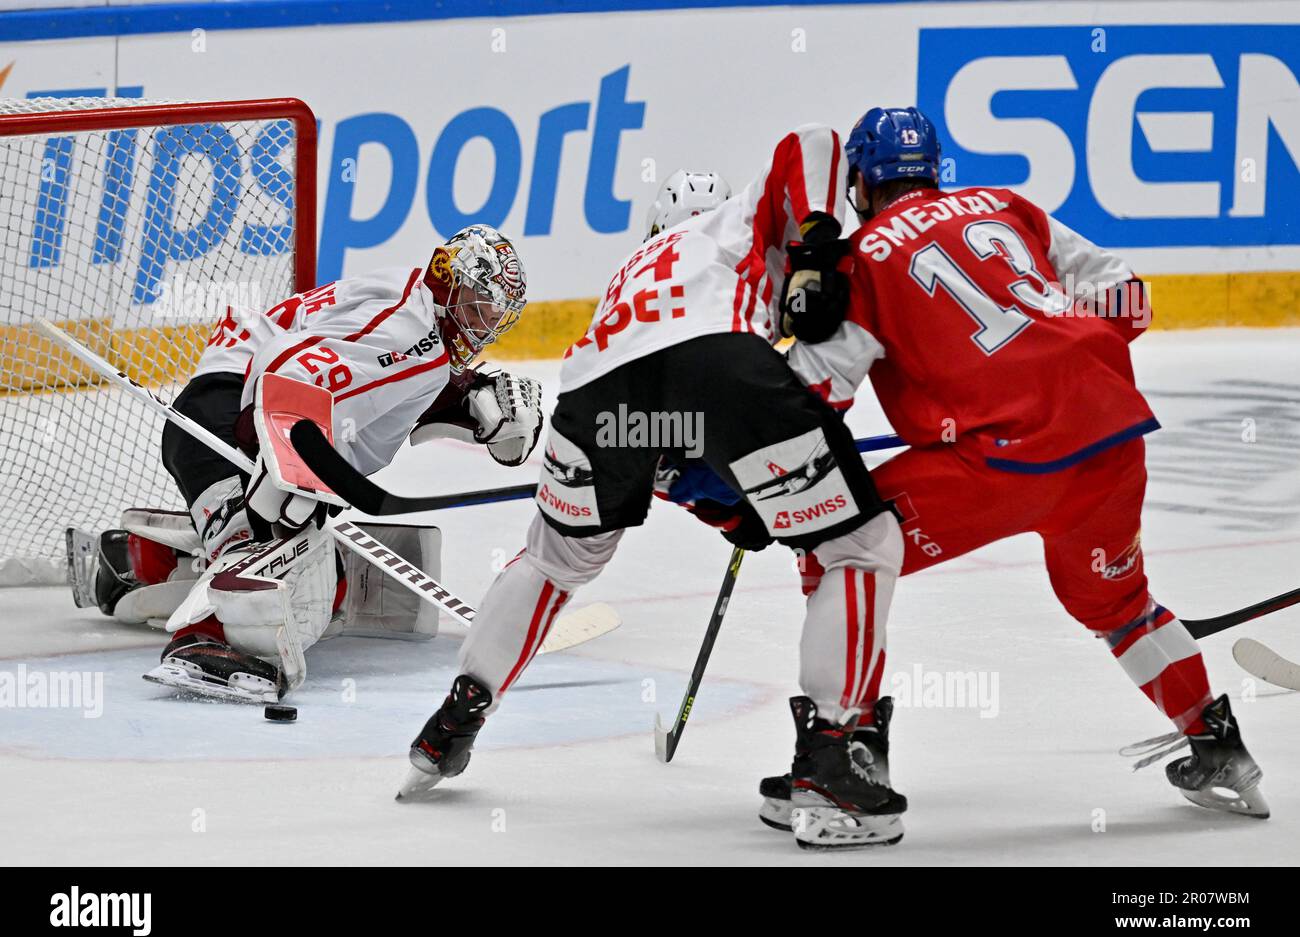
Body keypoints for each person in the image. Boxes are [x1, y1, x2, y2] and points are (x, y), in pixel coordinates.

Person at [398, 124, 914, 850]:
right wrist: (820, 246)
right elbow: (813, 141)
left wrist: (723, 498)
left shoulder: (636, 269)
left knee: (554, 561)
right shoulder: (738, 219)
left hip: (594, 393)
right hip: (720, 368)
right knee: (858, 544)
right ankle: (831, 753)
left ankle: (454, 719)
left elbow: (666, 447)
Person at [753, 107, 1267, 830]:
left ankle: (848, 757)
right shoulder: (1008, 205)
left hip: (998, 464)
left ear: (862, 186)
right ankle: (1218, 746)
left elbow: (815, 395)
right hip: (1109, 437)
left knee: (834, 544)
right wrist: (1049, 349)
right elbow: (1132, 301)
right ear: (934, 171)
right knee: (1119, 605)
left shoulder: (861, 257)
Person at [92, 225, 544, 703]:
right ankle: (204, 638)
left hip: (227, 402)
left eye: (496, 313)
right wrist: (297, 471)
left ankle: (140, 560)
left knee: (333, 580)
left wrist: (469, 395)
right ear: (448, 281)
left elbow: (379, 380)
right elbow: (289, 372)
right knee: (292, 559)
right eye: (479, 303)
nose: (486, 322)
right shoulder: (413, 333)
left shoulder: (414, 306)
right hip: (230, 419)